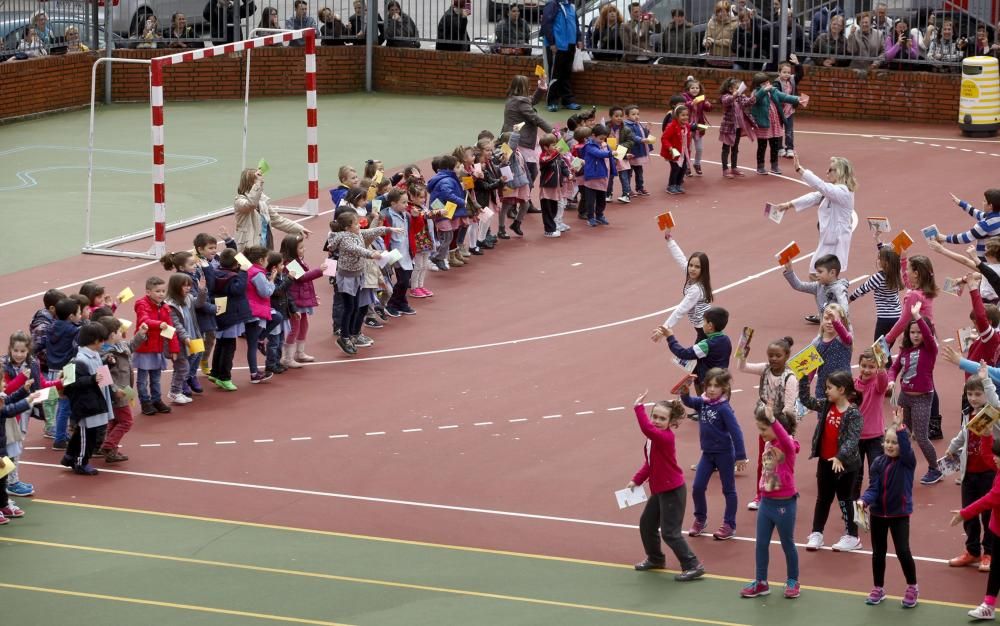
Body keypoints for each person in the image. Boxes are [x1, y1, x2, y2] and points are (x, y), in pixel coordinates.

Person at [628, 391, 706, 581]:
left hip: (672, 491)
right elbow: (650, 463)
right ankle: (655, 559)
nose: (656, 421)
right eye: (654, 416)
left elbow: (647, 429)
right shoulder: (653, 439)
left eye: (662, 418)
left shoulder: (664, 437)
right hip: (660, 490)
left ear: (671, 422)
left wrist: (639, 409)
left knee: (670, 533)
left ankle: (692, 565)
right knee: (647, 524)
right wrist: (636, 480)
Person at [773, 154, 857, 316]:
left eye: (831, 169)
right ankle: (827, 310)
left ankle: (830, 311)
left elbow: (821, 187)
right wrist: (789, 205)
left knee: (819, 275)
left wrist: (800, 170)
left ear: (840, 172)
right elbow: (814, 196)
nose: (827, 171)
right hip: (828, 241)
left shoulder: (842, 192)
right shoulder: (833, 192)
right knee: (818, 275)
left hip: (835, 242)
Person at [859, 408, 918, 607]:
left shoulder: (907, 462)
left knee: (902, 550)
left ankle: (912, 586)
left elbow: (907, 448)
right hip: (878, 514)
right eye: (887, 441)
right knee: (878, 552)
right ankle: (878, 588)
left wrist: (900, 427)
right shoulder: (877, 462)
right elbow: (874, 487)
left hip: (899, 514)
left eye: (894, 442)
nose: (890, 445)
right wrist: (864, 501)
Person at [680, 368, 748, 541]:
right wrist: (684, 393)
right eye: (709, 385)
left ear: (724, 388)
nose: (711, 389)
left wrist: (740, 456)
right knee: (697, 487)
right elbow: (688, 401)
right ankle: (700, 519)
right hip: (707, 454)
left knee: (728, 490)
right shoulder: (702, 402)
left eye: (716, 386)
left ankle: (729, 524)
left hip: (725, 454)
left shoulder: (724, 408)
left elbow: (736, 432)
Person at [943, 367, 1000, 573]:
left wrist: (986, 381)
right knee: (968, 514)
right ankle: (972, 550)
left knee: (987, 515)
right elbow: (963, 434)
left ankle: (989, 553)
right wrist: (952, 448)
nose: (974, 398)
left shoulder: (993, 413)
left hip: (990, 473)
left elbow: (994, 402)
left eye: (978, 394)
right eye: (970, 394)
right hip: (969, 473)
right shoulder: (968, 414)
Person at [741, 404, 800, 599]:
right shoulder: (768, 445)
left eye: (764, 429)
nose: (761, 433)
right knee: (761, 544)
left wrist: (773, 420)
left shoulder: (788, 448)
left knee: (787, 543)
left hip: (785, 504)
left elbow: (786, 440)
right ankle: (761, 582)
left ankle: (792, 580)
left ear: (776, 428)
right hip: (767, 503)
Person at [801, 369, 864, 552]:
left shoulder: (853, 413)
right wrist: (804, 378)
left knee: (845, 499)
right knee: (823, 498)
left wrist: (840, 456)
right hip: (826, 461)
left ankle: (852, 536)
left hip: (846, 465)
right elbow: (807, 401)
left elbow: (853, 440)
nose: (826, 391)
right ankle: (817, 533)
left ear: (842, 390)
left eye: (829, 388)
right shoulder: (827, 405)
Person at [736, 336, 797, 511]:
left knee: (780, 463)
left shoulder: (789, 378)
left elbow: (789, 406)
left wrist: (786, 431)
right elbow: (743, 367)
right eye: (770, 355)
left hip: (781, 426)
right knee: (764, 460)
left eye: (778, 355)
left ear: (786, 356)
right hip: (766, 425)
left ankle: (782, 494)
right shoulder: (764, 369)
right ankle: (761, 494)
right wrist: (743, 355)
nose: (773, 359)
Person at [327, 212, 399, 355]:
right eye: (356, 223)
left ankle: (352, 334)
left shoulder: (357, 233)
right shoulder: (346, 239)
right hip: (347, 278)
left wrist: (388, 229)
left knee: (355, 307)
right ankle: (344, 337)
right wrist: (371, 254)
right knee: (349, 308)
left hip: (357, 275)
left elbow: (370, 231)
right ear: (348, 227)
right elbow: (356, 249)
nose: (359, 225)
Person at [1, 331, 62, 495]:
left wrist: (60, 383)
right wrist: (21, 379)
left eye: (22, 351)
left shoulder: (32, 363)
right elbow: (5, 391)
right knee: (9, 449)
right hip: (7, 414)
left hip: (23, 411)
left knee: (15, 448)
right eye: (15, 350)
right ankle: (10, 482)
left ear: (28, 350)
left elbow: (41, 384)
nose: (19, 354)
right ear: (10, 349)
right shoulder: (4, 366)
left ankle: (11, 480)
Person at [887, 301, 940, 485]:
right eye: (912, 332)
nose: (916, 335)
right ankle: (902, 464)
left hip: (923, 399)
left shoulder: (930, 349)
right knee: (902, 431)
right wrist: (891, 380)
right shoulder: (905, 350)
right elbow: (893, 368)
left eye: (919, 332)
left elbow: (928, 335)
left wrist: (917, 316)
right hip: (905, 397)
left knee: (921, 436)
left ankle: (935, 468)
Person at [951, 437, 1000, 620]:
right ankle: (988, 605)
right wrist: (987, 436)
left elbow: (988, 500)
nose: (994, 459)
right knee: (996, 569)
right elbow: (987, 456)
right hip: (998, 530)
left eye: (998, 456)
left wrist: (964, 513)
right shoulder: (998, 467)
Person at [62, 322, 113, 476]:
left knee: (82, 434)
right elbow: (69, 384)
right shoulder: (78, 360)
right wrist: (92, 379)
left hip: (95, 401)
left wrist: (107, 364)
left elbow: (99, 374)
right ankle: (81, 463)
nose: (103, 343)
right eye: (102, 340)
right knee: (87, 436)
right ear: (95, 341)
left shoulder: (95, 355)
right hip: (86, 405)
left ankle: (69, 456)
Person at [95, 316, 144, 463]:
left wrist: (140, 335)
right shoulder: (104, 355)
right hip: (118, 392)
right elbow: (103, 375)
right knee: (127, 421)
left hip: (124, 389)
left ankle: (110, 449)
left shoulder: (120, 345)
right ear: (111, 335)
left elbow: (131, 346)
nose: (121, 333)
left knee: (116, 421)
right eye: (118, 331)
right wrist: (114, 390)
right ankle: (108, 446)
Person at [650, 228, 711, 341]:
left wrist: (664, 328)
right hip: (703, 329)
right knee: (697, 355)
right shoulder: (691, 274)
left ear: (703, 270)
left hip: (706, 331)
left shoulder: (696, 290)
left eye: (697, 267)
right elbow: (681, 258)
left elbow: (681, 310)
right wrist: (669, 239)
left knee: (694, 355)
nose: (692, 269)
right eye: (691, 265)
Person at [233, 168, 310, 251]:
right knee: (246, 264)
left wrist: (298, 228)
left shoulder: (262, 201)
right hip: (247, 250)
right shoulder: (239, 201)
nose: (261, 185)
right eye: (259, 183)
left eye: (261, 183)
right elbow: (251, 204)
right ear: (251, 183)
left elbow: (277, 220)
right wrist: (258, 184)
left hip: (265, 247)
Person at [662, 306, 732, 395]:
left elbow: (683, 353)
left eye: (704, 321)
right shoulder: (726, 339)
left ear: (710, 326)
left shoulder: (706, 345)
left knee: (705, 407)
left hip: (709, 386)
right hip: (723, 383)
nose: (703, 324)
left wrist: (670, 337)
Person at [133, 276, 177, 415]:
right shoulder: (142, 304)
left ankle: (156, 400)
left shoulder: (165, 307)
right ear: (148, 292)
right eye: (157, 291)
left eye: (163, 291)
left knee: (156, 378)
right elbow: (143, 320)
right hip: (144, 348)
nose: (161, 294)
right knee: (142, 379)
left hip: (157, 348)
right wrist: (159, 324)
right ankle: (145, 402)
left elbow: (170, 329)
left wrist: (174, 348)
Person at [279, 235, 324, 368]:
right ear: (292, 249)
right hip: (294, 300)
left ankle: (300, 352)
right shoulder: (290, 263)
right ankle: (287, 357)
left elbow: (305, 282)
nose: (304, 249)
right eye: (300, 247)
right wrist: (319, 270)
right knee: (295, 327)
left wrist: (312, 295)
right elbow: (303, 278)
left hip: (301, 298)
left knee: (303, 325)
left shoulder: (298, 260)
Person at [209, 248, 249, 390]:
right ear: (236, 264)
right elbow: (239, 289)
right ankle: (225, 377)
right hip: (231, 315)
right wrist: (243, 271)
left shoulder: (214, 272)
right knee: (229, 346)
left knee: (220, 344)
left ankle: (215, 372)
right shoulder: (234, 277)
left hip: (220, 314)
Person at [749, 72, 802, 176]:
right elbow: (756, 99)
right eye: (763, 83)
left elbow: (784, 96)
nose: (767, 84)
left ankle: (774, 165)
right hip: (763, 124)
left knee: (774, 145)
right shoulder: (756, 93)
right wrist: (763, 90)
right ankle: (760, 166)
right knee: (762, 146)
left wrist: (797, 99)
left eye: (767, 82)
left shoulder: (773, 91)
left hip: (774, 123)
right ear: (758, 85)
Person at [850, 240, 903, 344]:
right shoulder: (896, 274)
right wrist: (878, 240)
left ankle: (887, 361)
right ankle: (889, 361)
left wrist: (849, 299)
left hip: (884, 318)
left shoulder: (878, 278)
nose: (878, 260)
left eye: (880, 258)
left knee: (879, 350)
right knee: (886, 348)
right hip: (897, 317)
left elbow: (862, 289)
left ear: (885, 263)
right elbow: (889, 255)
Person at [46, 298, 82, 448]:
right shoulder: (72, 330)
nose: (81, 315)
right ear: (71, 316)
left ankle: (60, 433)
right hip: (66, 370)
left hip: (52, 369)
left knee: (60, 404)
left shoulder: (51, 327)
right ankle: (60, 438)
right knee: (65, 405)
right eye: (79, 313)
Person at [853, 349, 889, 496]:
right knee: (856, 474)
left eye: (871, 367)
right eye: (863, 366)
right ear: (859, 365)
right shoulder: (853, 384)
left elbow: (883, 381)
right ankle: (853, 505)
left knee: (876, 472)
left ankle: (876, 501)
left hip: (875, 437)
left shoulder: (878, 385)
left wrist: (881, 368)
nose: (867, 370)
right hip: (856, 437)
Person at [540, 0, 583, 112]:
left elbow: (575, 24)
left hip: (570, 45)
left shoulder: (571, 6)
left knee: (566, 74)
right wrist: (552, 42)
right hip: (557, 46)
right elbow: (546, 24)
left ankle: (567, 100)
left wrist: (578, 38)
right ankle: (552, 101)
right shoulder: (553, 4)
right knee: (554, 74)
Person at [782, 254, 850, 325]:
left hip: (837, 331)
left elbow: (844, 307)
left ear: (832, 272)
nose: (817, 275)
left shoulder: (839, 289)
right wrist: (789, 270)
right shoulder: (818, 286)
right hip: (825, 330)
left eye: (820, 272)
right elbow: (799, 286)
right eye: (816, 272)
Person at [936, 189, 1000, 262]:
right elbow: (979, 214)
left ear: (990, 206)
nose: (982, 202)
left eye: (984, 201)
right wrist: (961, 203)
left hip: (987, 261)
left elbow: (965, 238)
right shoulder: (996, 216)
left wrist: (944, 238)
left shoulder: (986, 224)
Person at [717, 77, 754, 179]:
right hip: (728, 128)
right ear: (730, 89)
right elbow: (726, 101)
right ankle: (725, 169)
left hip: (737, 128)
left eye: (739, 88)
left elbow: (747, 102)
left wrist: (753, 98)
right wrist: (734, 95)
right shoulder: (726, 97)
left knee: (735, 148)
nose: (739, 90)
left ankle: (734, 167)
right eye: (736, 88)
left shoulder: (739, 97)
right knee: (726, 149)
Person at [580, 125, 613, 227]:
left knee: (601, 199)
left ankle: (600, 215)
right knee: (590, 200)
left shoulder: (604, 145)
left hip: (602, 175)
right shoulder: (589, 146)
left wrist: (624, 155)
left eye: (604, 139)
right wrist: (611, 153)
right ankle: (590, 217)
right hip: (592, 177)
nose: (602, 141)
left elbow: (610, 155)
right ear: (593, 136)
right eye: (600, 138)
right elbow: (599, 154)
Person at [622, 105, 653, 196]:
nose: (636, 116)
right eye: (633, 114)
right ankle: (628, 189)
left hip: (638, 151)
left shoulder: (637, 123)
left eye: (638, 114)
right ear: (627, 116)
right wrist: (641, 140)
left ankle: (640, 187)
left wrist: (647, 129)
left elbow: (643, 133)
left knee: (639, 171)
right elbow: (632, 136)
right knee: (629, 172)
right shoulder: (627, 126)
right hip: (632, 152)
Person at [661, 104, 691, 195]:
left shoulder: (686, 126)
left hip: (683, 151)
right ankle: (671, 186)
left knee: (683, 168)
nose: (685, 117)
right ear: (676, 116)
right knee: (675, 168)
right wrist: (670, 148)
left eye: (687, 115)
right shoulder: (672, 126)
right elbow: (664, 138)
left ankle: (678, 184)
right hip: (674, 152)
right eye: (682, 115)